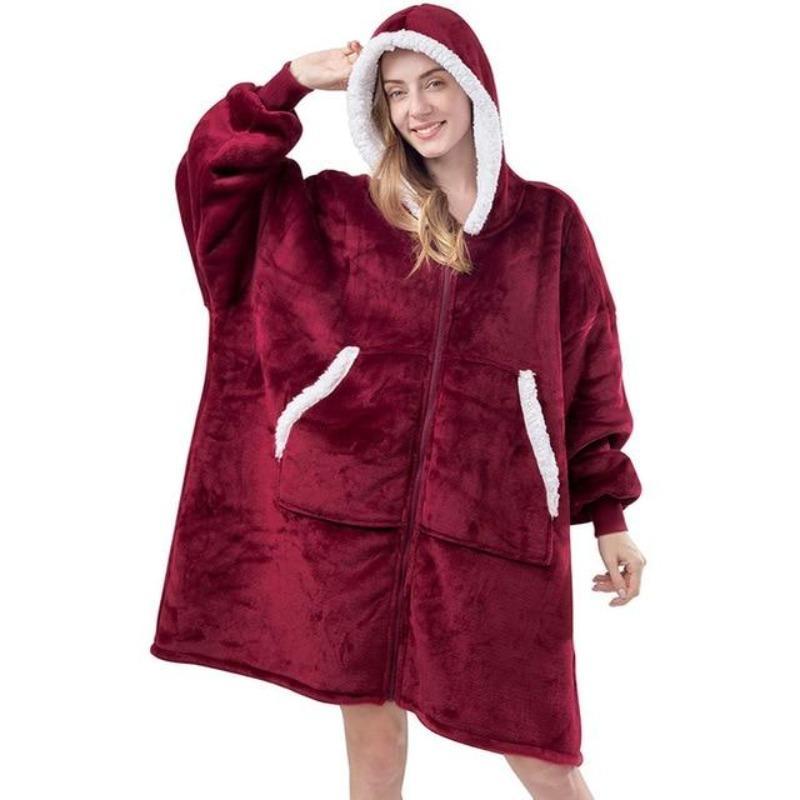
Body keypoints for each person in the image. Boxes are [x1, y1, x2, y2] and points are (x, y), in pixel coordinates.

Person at [151, 5, 646, 799]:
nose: (418, 107)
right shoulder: (339, 213)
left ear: (475, 89)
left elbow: (591, 374)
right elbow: (210, 182)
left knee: (546, 760)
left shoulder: (548, 225)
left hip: (492, 533)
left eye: (435, 82)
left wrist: (610, 517)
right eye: (396, 90)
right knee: (374, 754)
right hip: (353, 533)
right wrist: (289, 84)